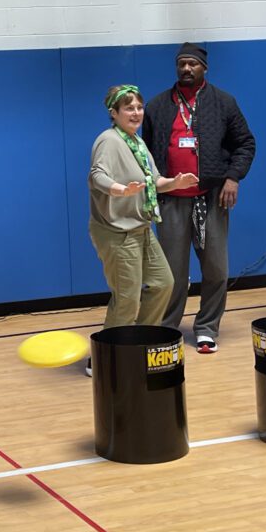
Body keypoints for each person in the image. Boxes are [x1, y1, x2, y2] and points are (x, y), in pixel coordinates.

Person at [142, 43, 255, 353]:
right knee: (171, 273)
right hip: (172, 201)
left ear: (204, 67)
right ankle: (167, 328)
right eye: (182, 64)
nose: (186, 69)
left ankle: (206, 328)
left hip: (211, 197)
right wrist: (154, 190)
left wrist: (233, 177)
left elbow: (245, 143)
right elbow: (146, 154)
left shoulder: (223, 103)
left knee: (216, 269)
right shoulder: (157, 106)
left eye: (192, 64)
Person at [88, 84, 199, 376]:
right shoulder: (108, 141)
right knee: (127, 298)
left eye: (139, 107)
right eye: (129, 108)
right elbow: (97, 175)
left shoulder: (136, 142)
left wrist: (175, 183)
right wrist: (120, 190)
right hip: (116, 231)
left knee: (164, 283)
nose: (136, 113)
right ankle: (103, 359)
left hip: (141, 227)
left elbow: (154, 181)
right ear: (114, 113)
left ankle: (136, 342)